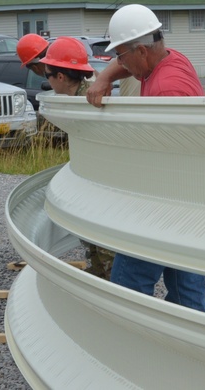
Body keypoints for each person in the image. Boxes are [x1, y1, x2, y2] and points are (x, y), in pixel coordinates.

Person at [85, 4, 205, 312]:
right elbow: (126, 65)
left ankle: (128, 343)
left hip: (161, 204)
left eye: (121, 55)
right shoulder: (167, 60)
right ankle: (189, 347)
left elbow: (165, 156)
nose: (119, 62)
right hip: (188, 202)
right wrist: (104, 78)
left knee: (129, 288)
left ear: (140, 51)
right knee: (186, 291)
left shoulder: (168, 92)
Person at [40, 36, 117, 281]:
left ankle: (111, 288)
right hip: (91, 179)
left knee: (104, 242)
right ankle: (97, 278)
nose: (47, 82)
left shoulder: (91, 101)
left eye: (47, 75)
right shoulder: (80, 97)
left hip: (103, 184)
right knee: (90, 235)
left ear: (60, 77)